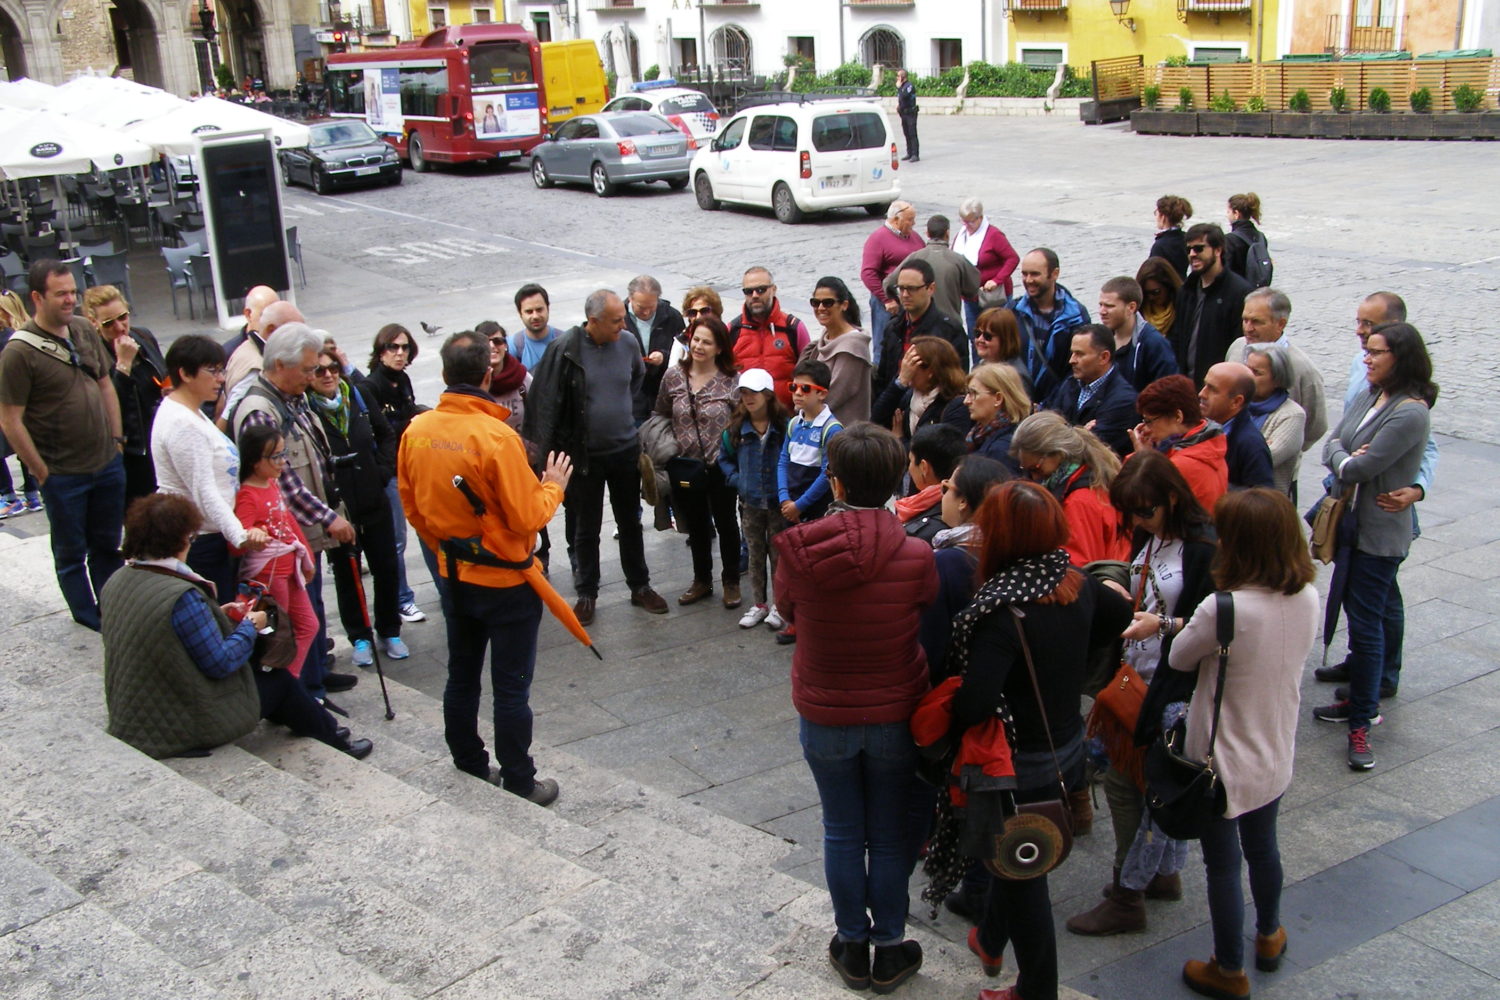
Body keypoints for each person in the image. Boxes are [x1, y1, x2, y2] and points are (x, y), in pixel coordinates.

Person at [949, 481, 1132, 1000]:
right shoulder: (1074, 583)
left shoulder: (1003, 611)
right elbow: (1118, 617)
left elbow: (977, 701)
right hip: (1066, 747)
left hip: (1020, 761)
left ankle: (1037, 990)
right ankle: (988, 938)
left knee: (1023, 870)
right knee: (1018, 858)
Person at [775, 421, 936, 994]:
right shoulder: (917, 552)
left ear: (834, 483)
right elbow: (924, 603)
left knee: (842, 829)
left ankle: (851, 943)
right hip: (895, 708)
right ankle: (890, 946)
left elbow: (787, 610)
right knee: (889, 834)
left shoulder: (796, 549)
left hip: (824, 710)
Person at [399, 331, 578, 805]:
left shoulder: (416, 432)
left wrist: (448, 546)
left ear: (443, 375)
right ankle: (519, 778)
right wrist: (553, 486)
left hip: (454, 577)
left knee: (461, 674)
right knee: (510, 688)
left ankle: (469, 761)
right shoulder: (497, 437)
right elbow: (527, 516)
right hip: (506, 583)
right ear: (487, 373)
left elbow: (413, 508)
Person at [1171, 489, 1318, 1000]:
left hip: (1223, 757)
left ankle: (1228, 968)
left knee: (1223, 865)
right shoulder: (1307, 595)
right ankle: (1270, 933)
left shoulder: (1224, 608)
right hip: (1275, 747)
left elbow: (1179, 659)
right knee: (1264, 848)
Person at [1065, 449, 1216, 938]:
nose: (1138, 520)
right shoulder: (1151, 539)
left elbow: (1213, 623)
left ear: (1172, 498)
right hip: (1137, 671)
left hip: (1173, 685)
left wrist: (1163, 624)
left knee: (1134, 787)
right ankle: (1160, 875)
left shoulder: (1203, 549)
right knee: (1134, 781)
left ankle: (1127, 892)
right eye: (1132, 512)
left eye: (1145, 510)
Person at [100, 493, 372, 761]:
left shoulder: (119, 579)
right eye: (191, 537)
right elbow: (220, 663)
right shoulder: (180, 596)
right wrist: (252, 626)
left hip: (136, 713)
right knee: (278, 679)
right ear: (181, 540)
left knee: (267, 676)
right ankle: (336, 740)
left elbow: (157, 629)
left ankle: (303, 718)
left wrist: (214, 614)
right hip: (178, 723)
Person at [1313, 322, 1436, 771]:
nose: (1366, 357)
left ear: (1400, 358)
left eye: (1376, 352)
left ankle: (1363, 717)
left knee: (1367, 626)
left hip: (1379, 534)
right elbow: (1334, 440)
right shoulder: (1369, 394)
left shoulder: (1409, 412)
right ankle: (1361, 698)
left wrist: (1346, 459)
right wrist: (1346, 456)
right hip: (1353, 524)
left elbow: (1361, 467)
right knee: (1361, 617)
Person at [226, 323, 359, 701]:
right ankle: (306, 690)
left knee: (313, 607)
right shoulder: (260, 410)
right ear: (280, 364)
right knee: (298, 617)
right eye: (306, 369)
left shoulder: (290, 397)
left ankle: (317, 672)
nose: (313, 376)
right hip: (284, 545)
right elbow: (282, 484)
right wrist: (328, 517)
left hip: (302, 536)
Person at [523, 289, 668, 626]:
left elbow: (635, 379)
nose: (623, 324)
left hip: (623, 450)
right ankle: (587, 591)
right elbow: (546, 402)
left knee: (630, 522)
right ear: (593, 321)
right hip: (584, 456)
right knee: (585, 528)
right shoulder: (566, 350)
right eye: (616, 320)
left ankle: (640, 585)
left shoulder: (629, 343)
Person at [0, 260, 126, 631]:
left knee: (107, 545)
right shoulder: (18, 354)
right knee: (71, 552)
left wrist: (116, 440)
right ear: (37, 297)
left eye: (73, 292)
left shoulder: (84, 330)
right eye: (61, 294)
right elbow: (9, 419)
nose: (71, 300)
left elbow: (105, 383)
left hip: (105, 463)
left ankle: (111, 606)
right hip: (63, 473)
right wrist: (41, 471)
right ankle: (86, 614)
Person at [306, 344, 407, 666]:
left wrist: (381, 471)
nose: (328, 375)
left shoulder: (358, 398)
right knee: (347, 574)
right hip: (339, 509)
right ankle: (360, 636)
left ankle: (390, 629)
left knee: (387, 568)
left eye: (333, 368)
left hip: (373, 499)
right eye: (319, 370)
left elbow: (386, 434)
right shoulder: (308, 410)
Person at [152, 335, 269, 601]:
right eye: (213, 371)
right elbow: (204, 490)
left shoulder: (191, 411)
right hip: (201, 540)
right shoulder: (182, 422)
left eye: (222, 370)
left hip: (213, 535)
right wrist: (239, 535)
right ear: (185, 373)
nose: (221, 379)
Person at [654, 315, 741, 608]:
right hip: (685, 464)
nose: (699, 346)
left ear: (719, 348)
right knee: (697, 525)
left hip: (721, 465)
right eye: (696, 339)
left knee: (727, 523)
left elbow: (742, 419)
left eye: (707, 341)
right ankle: (701, 580)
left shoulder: (731, 380)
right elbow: (662, 413)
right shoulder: (674, 376)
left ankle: (731, 581)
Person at [232, 423, 320, 679]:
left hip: (289, 570)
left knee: (308, 625)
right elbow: (236, 540)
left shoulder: (271, 483)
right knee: (277, 635)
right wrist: (251, 534)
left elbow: (289, 522)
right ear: (255, 461)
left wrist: (308, 558)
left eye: (283, 454)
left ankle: (289, 683)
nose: (283, 461)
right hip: (269, 577)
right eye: (276, 456)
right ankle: (282, 688)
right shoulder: (247, 495)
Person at [917, 454, 1012, 681]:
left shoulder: (948, 561)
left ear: (963, 502)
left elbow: (931, 644)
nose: (942, 495)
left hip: (953, 684)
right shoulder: (1007, 546)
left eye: (946, 488)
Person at [363, 322, 428, 624]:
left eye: (404, 348)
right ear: (381, 351)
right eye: (393, 347)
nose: (399, 353)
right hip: (391, 469)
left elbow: (407, 412)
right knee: (396, 540)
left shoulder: (402, 380)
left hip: (410, 463)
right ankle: (402, 599)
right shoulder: (372, 386)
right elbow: (380, 432)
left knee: (426, 527)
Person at [719, 368, 789, 631]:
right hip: (750, 504)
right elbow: (723, 458)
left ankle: (779, 605)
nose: (748, 398)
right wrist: (737, 480)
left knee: (779, 557)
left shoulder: (783, 427)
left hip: (777, 503)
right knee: (755, 555)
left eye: (754, 393)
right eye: (744, 393)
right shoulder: (735, 430)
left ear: (768, 395)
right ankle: (759, 604)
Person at [1011, 412, 1129, 567]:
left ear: (1058, 453)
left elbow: (1080, 569)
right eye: (1026, 470)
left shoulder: (1079, 501)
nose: (1033, 478)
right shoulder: (1082, 476)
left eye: (1036, 469)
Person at [86, 285, 165, 502]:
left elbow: (163, 371)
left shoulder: (143, 336)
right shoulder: (94, 355)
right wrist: (123, 366)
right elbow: (108, 408)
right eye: (108, 323)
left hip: (160, 437)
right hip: (133, 453)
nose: (120, 327)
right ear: (94, 323)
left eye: (123, 317)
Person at [1224, 288, 1328, 452]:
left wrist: (1288, 445)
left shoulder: (1302, 369)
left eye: (1257, 322)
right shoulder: (1238, 347)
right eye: (1245, 320)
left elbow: (1316, 426)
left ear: (1281, 324)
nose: (1248, 328)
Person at [1130, 374, 1229, 516]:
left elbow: (1140, 500)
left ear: (1178, 416)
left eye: (1149, 420)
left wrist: (1143, 460)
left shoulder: (1181, 465)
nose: (1145, 428)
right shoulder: (1210, 443)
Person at [1041, 325, 1141, 458]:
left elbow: (1087, 451)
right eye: (1072, 353)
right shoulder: (1070, 384)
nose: (1071, 360)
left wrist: (1065, 431)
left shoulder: (1123, 401)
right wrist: (1081, 433)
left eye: (1080, 354)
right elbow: (1044, 428)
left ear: (1104, 357)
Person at [875, 259, 970, 398]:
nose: (905, 295)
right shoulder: (892, 328)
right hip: (893, 405)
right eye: (901, 288)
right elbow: (883, 378)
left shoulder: (950, 330)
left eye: (912, 289)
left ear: (930, 288)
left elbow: (958, 383)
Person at [1172, 223, 1252, 385]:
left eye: (1199, 248)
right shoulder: (1187, 291)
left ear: (1218, 250)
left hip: (1219, 387)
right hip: (1187, 386)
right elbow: (1178, 339)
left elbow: (1240, 345)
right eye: (1189, 250)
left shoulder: (1239, 293)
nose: (1192, 254)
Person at [1009, 248, 1091, 402]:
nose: (1028, 280)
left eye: (1034, 274)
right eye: (1024, 274)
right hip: (1017, 402)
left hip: (1055, 405)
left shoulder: (1076, 316)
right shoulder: (1012, 311)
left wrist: (1051, 404)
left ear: (1054, 274)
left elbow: (1075, 371)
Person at [728, 266, 811, 409]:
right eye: (748, 291)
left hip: (787, 420)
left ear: (773, 289)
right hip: (745, 421)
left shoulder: (793, 328)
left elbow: (809, 376)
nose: (754, 295)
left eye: (761, 289)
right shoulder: (732, 330)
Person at [883, 215, 980, 331]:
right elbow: (973, 289)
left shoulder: (914, 257)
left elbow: (888, 283)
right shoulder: (958, 260)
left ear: (927, 234)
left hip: (920, 325)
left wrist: (902, 300)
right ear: (947, 233)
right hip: (950, 327)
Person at [872, 335, 969, 451]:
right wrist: (900, 382)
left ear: (931, 371)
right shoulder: (908, 396)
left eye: (911, 365)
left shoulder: (957, 406)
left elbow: (935, 454)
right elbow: (876, 420)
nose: (906, 370)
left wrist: (899, 440)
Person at [219, 299, 305, 427]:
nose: (300, 341)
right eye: (294, 334)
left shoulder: (247, 347)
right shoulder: (255, 369)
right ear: (271, 330)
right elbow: (228, 416)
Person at [802, 276, 872, 425]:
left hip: (844, 435)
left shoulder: (852, 347)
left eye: (828, 302)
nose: (821, 308)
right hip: (816, 429)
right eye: (815, 302)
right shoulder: (820, 343)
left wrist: (803, 406)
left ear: (844, 305)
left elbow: (835, 395)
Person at [860, 201, 919, 369]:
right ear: (895, 219)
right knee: (883, 344)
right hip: (887, 304)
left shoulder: (913, 236)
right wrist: (886, 299)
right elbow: (868, 273)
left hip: (910, 301)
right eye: (910, 220)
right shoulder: (878, 239)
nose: (913, 223)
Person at [1198, 362, 1275, 490]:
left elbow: (1261, 499)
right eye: (1205, 385)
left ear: (1236, 402)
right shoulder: (1200, 426)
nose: (1202, 393)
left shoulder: (1251, 445)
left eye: (1213, 389)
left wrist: (1213, 484)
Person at [1244, 343, 1307, 498]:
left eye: (1256, 373)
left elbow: (1263, 460)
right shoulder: (1237, 403)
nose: (1248, 377)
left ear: (1277, 379)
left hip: (1266, 504)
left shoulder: (1292, 415)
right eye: (1247, 370)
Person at [1096, 276, 1178, 393]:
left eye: (1109, 306)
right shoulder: (1100, 340)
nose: (1102, 311)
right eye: (1101, 305)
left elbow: (1168, 390)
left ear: (1131, 307)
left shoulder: (1154, 344)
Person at [951, 199, 1020, 332]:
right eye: (963, 221)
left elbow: (1012, 258)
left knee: (996, 334)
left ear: (980, 218)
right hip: (971, 296)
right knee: (974, 334)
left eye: (970, 221)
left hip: (993, 296)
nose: (966, 225)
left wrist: (997, 280)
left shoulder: (994, 235)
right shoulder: (961, 235)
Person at [625, 274, 686, 422]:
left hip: (662, 395)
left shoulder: (672, 317)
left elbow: (683, 352)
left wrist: (663, 356)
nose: (646, 312)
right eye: (641, 307)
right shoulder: (619, 318)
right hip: (630, 399)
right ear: (630, 298)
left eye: (651, 307)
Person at [897, 424, 966, 544]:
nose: (909, 468)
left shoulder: (931, 532)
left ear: (924, 467)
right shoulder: (963, 502)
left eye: (911, 461)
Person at [964, 362, 1029, 472]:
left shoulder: (1003, 449)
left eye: (973, 393)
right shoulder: (980, 435)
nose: (966, 401)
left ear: (998, 398)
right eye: (967, 393)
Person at [973, 307, 1030, 396]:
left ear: (1005, 339)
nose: (980, 339)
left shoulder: (1016, 377)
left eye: (988, 336)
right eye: (977, 333)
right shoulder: (980, 365)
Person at [508, 283, 564, 371]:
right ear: (520, 313)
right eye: (529, 311)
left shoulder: (565, 342)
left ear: (548, 309)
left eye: (539, 310)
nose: (535, 316)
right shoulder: (512, 346)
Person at [1224, 191, 1271, 287]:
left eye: (1228, 212)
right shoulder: (1260, 236)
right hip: (1257, 291)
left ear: (1236, 213)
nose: (1227, 215)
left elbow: (1226, 271)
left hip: (1238, 291)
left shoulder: (1230, 239)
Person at [1136, 256, 1183, 345]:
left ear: (1169, 286)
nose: (1150, 298)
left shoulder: (1183, 308)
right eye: (1145, 294)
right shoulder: (1138, 314)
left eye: (1155, 292)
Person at [1150, 195, 1193, 279]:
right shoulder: (1186, 238)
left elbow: (1151, 274)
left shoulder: (1160, 245)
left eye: (1156, 213)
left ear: (1163, 217)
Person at [895, 68, 919, 161]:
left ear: (902, 77)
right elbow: (901, 99)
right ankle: (909, 152)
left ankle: (915, 154)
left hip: (911, 113)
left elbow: (904, 96)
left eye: (898, 76)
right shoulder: (902, 86)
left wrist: (899, 87)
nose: (897, 78)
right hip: (904, 113)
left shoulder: (909, 86)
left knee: (912, 133)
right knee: (906, 133)